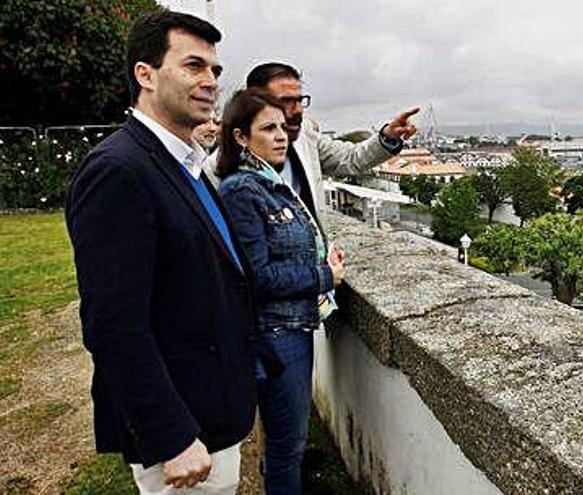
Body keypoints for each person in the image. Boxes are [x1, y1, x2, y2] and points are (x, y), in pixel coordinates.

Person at [65, 11, 256, 494]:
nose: (211, 80)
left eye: (214, 69)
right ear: (145, 75)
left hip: (210, 408)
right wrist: (169, 435)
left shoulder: (182, 160)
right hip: (184, 433)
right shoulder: (118, 170)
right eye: (193, 65)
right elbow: (112, 324)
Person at [216, 88, 344, 494]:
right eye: (267, 128)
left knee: (287, 444)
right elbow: (258, 278)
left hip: (289, 330)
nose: (280, 136)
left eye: (282, 128)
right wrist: (324, 276)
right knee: (288, 446)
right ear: (240, 137)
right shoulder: (242, 191)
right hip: (276, 335)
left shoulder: (267, 184)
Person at [236, 62, 419, 231]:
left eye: (300, 100)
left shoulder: (305, 136)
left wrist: (388, 136)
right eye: (286, 101)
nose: (298, 109)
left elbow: (350, 159)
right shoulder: (223, 167)